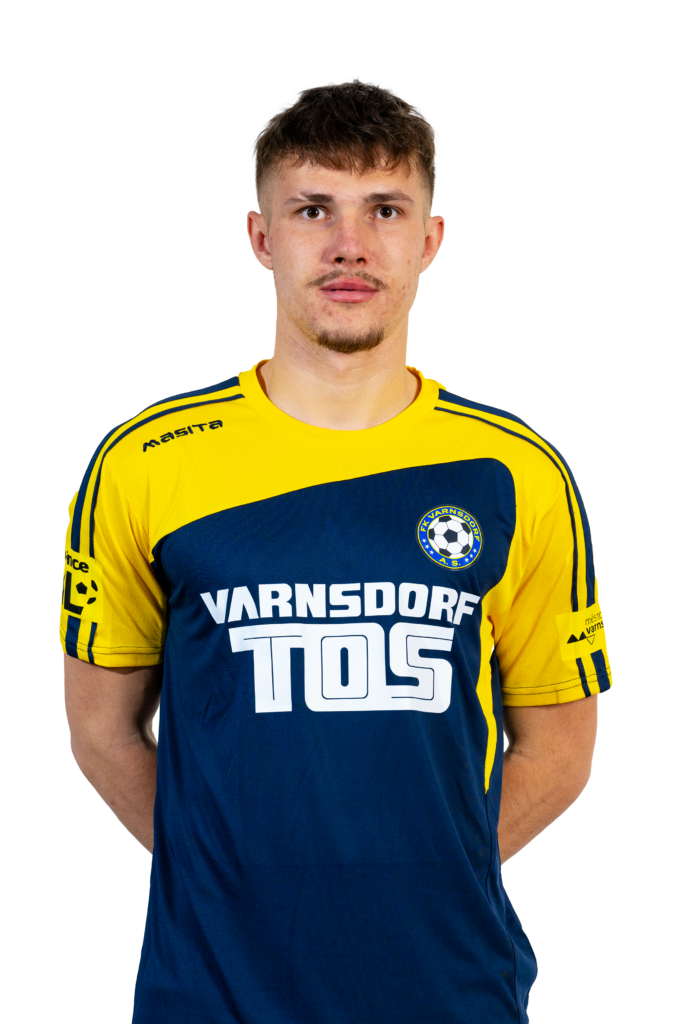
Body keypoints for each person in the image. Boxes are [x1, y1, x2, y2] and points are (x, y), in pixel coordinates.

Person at [61, 77, 613, 1023]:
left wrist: (421, 878)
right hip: (213, 999)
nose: (349, 245)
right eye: (313, 209)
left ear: (430, 238)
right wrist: (233, 881)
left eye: (385, 210)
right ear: (261, 236)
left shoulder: (515, 469)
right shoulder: (146, 460)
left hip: (450, 993)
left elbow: (561, 748)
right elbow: (101, 730)